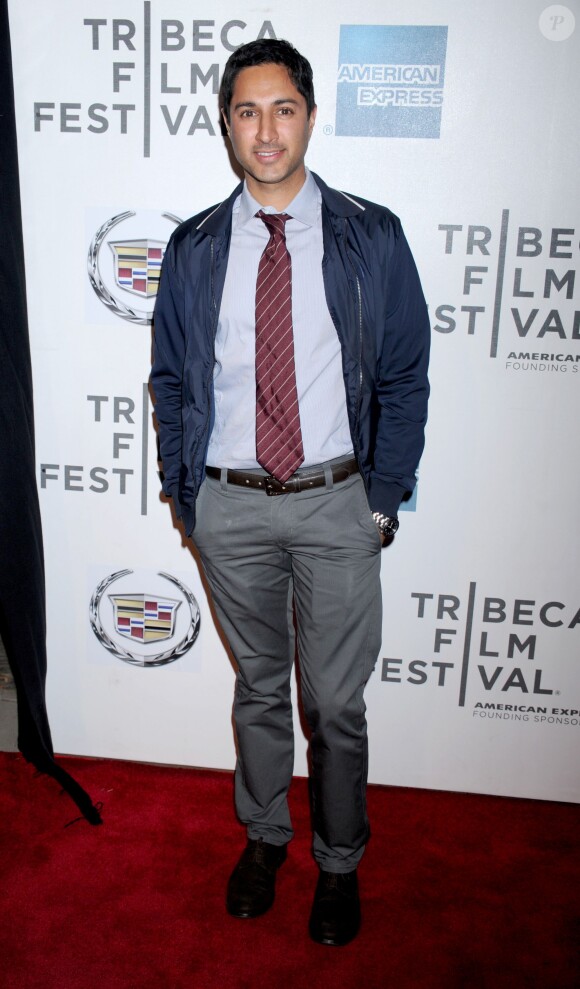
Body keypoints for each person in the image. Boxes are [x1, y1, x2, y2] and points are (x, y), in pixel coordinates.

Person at [151, 38, 429, 946]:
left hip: (337, 501)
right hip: (228, 504)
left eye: (282, 109)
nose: (265, 131)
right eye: (246, 111)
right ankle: (266, 837)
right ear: (227, 125)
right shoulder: (194, 246)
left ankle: (339, 859)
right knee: (262, 688)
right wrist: (187, 499)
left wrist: (382, 499)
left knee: (335, 702)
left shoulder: (369, 234)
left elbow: (404, 377)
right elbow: (173, 382)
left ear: (309, 115)